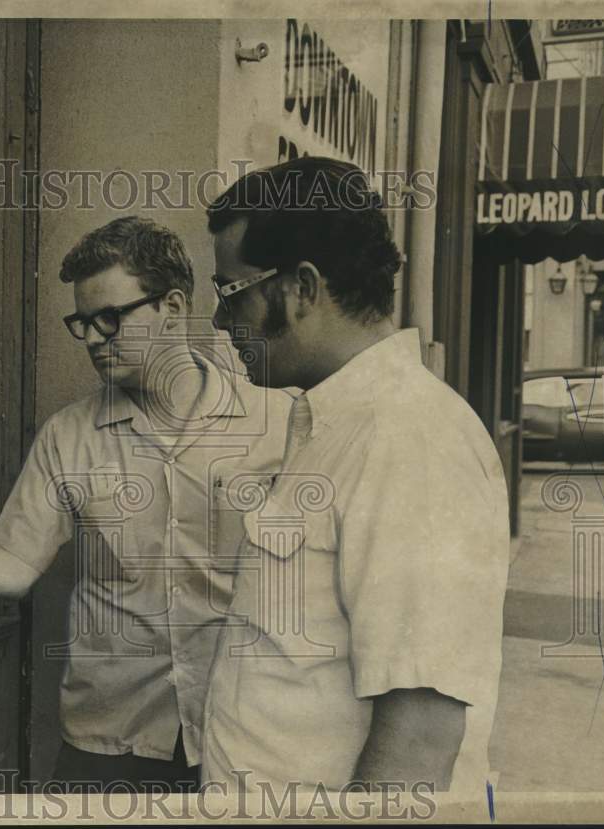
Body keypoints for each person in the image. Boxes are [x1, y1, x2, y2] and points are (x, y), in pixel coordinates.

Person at [0, 216, 291, 792]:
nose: (91, 339)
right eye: (82, 323)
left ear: (174, 305)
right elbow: (10, 565)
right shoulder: (70, 436)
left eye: (109, 319)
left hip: (242, 739)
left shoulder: (278, 423)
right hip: (110, 747)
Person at [202, 157, 510, 794]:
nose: (217, 322)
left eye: (230, 293)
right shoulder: (333, 423)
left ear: (303, 288)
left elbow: (420, 735)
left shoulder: (410, 441)